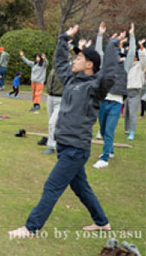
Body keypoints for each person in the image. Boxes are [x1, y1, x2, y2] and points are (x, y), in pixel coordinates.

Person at [9, 24, 119, 239]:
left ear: (89, 65)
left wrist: (113, 44)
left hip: (76, 148)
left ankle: (31, 228)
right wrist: (63, 39)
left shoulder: (95, 86)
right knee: (81, 188)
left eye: (78, 59)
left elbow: (110, 73)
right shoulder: (71, 80)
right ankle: (102, 222)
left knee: (52, 186)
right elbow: (60, 62)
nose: (74, 60)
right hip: (65, 144)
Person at [93, 23, 129, 168]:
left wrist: (126, 39)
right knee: (102, 130)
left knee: (109, 131)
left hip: (116, 103)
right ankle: (110, 150)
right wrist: (100, 35)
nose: (117, 57)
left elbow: (131, 51)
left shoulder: (124, 67)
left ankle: (105, 158)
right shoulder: (105, 66)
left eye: (120, 55)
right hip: (103, 101)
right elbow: (98, 52)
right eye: (116, 54)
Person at [123, 24, 146, 141]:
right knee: (127, 112)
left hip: (136, 91)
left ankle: (132, 131)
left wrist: (141, 47)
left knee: (132, 113)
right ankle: (127, 129)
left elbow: (143, 58)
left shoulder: (140, 66)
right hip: (127, 91)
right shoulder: (128, 66)